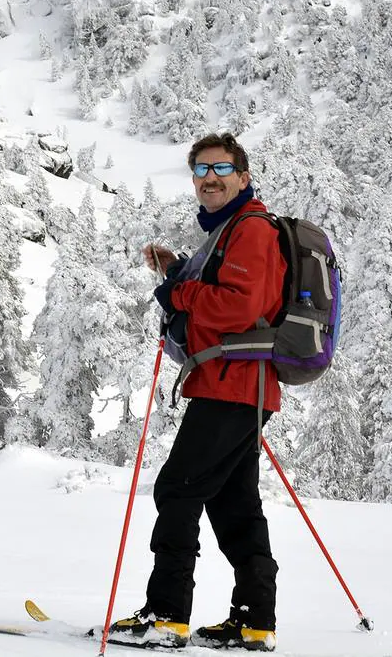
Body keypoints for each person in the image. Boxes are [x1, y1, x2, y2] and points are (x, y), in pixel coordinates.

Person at [113, 132, 285, 652]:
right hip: (238, 384)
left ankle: (166, 616)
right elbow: (227, 290)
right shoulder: (231, 230)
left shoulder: (251, 229)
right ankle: (254, 622)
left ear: (243, 176)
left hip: (231, 384)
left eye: (220, 169)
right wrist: (176, 270)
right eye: (200, 171)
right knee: (234, 504)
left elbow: (236, 304)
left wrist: (176, 292)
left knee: (178, 491)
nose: (209, 179)